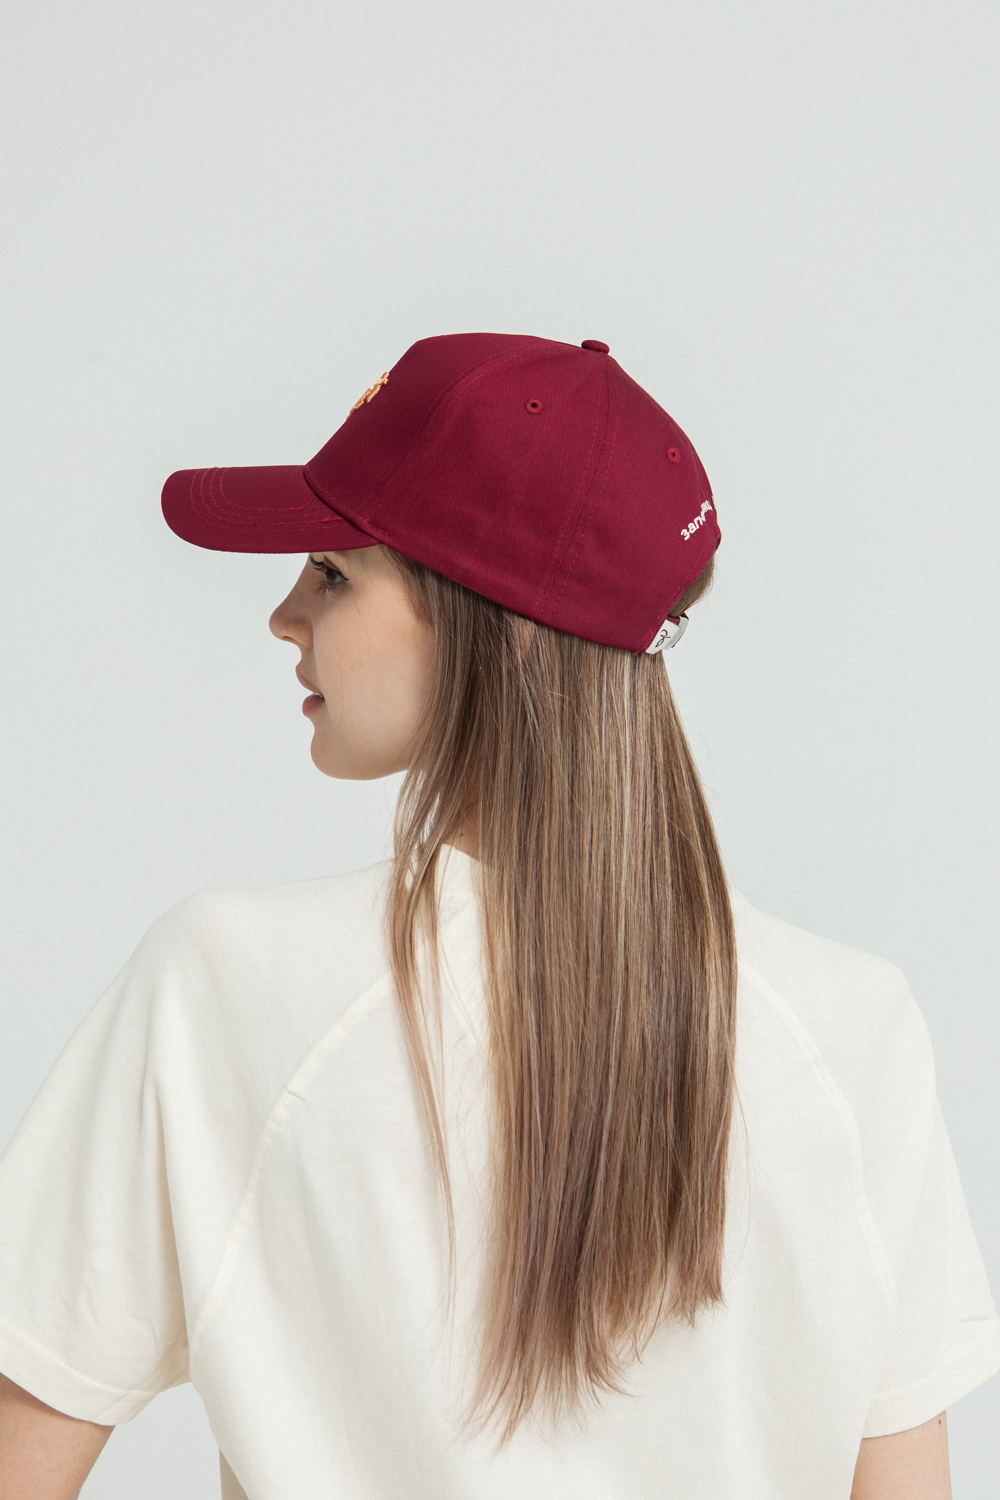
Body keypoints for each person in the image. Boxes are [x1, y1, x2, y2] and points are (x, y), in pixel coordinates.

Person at [0, 333, 996, 1500]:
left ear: (497, 620)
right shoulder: (851, 1029)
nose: (284, 615)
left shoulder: (224, 985)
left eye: (333, 575)